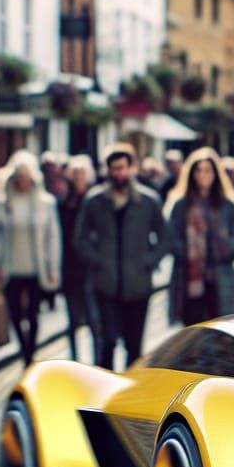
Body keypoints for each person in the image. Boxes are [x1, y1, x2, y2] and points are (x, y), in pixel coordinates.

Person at [75, 144, 166, 370]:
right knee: (107, 342)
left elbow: (165, 239)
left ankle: (131, 394)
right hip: (105, 285)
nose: (119, 174)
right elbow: (80, 239)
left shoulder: (148, 201)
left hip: (138, 285)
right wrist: (98, 261)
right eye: (115, 169)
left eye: (123, 168)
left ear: (132, 168)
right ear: (107, 171)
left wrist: (148, 261)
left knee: (134, 347)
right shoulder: (95, 201)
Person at [0, 150, 61, 367]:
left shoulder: (46, 203)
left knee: (33, 314)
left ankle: (30, 354)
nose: (22, 182)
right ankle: (24, 349)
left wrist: (53, 266)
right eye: (18, 177)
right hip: (11, 266)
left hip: (35, 266)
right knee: (14, 314)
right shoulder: (3, 203)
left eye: (25, 177)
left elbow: (53, 237)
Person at [165, 147, 234, 326]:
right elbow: (171, 238)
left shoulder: (228, 204)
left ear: (216, 173)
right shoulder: (181, 205)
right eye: (199, 170)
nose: (203, 175)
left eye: (208, 170)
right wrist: (188, 252)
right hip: (189, 279)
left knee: (220, 330)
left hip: (221, 276)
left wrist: (223, 246)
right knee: (193, 330)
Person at [59, 155, 99, 362]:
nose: (78, 178)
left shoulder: (96, 201)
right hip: (70, 269)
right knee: (73, 321)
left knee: (94, 320)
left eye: (82, 173)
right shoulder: (64, 203)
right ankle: (75, 359)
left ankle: (97, 360)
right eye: (75, 174)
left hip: (91, 269)